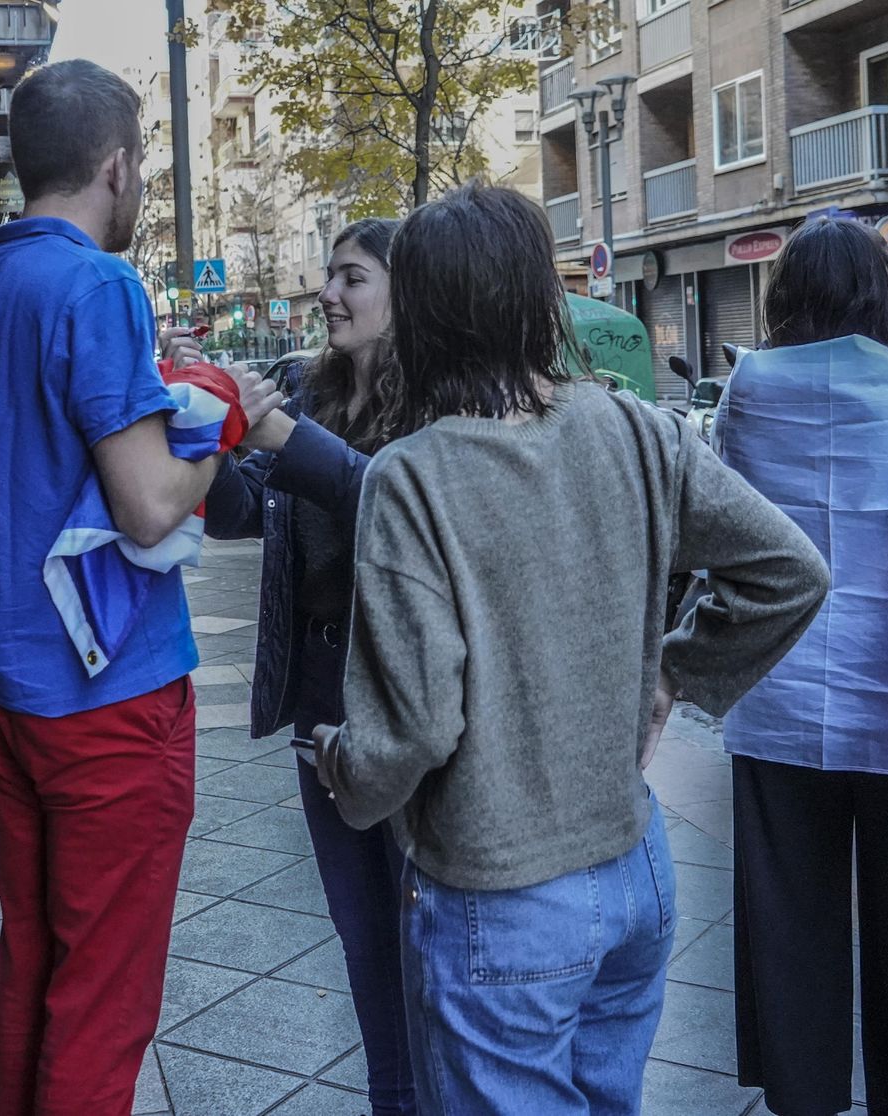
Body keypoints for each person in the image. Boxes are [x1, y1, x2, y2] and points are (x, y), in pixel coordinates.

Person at [310, 182, 830, 1116]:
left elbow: (414, 726)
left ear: (424, 314)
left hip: (498, 902)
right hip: (636, 874)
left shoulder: (411, 477)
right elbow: (791, 572)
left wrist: (345, 771)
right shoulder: (633, 427)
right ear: (538, 300)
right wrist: (680, 670)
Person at [0, 60, 281, 1115]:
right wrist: (223, 422)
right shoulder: (97, 285)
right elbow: (149, 506)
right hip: (111, 700)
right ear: (118, 166)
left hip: (8, 683)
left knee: (33, 969)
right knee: (104, 998)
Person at [713, 217, 888, 1115]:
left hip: (778, 689)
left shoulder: (748, 389)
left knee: (788, 916)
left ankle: (803, 1090)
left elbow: (722, 528)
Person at [197, 219, 415, 1115]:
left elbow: (390, 499)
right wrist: (209, 433)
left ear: (408, 295)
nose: (328, 294)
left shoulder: (439, 402)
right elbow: (240, 512)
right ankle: (393, 1099)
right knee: (362, 934)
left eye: (352, 277)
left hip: (406, 698)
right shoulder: (310, 393)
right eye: (330, 275)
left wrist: (277, 433)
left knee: (425, 931)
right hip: (321, 695)